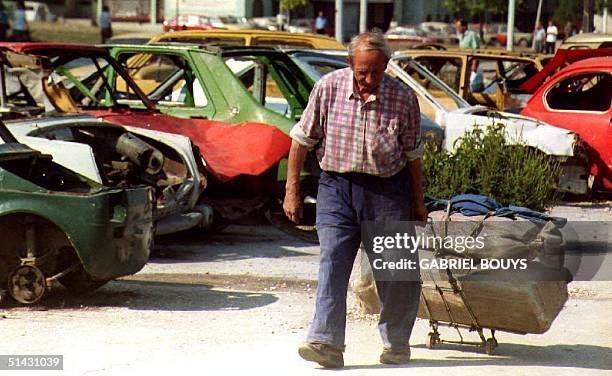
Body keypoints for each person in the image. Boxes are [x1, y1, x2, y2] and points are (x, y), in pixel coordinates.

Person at [284, 32, 426, 368]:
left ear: (387, 66)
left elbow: (413, 156)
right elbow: (301, 141)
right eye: (363, 72)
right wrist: (291, 191)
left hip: (388, 190)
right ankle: (326, 342)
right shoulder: (329, 87)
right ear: (351, 65)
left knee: (394, 270)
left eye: (376, 72)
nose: (369, 79)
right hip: (336, 187)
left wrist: (418, 202)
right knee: (332, 260)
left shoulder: (403, 98)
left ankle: (396, 343)